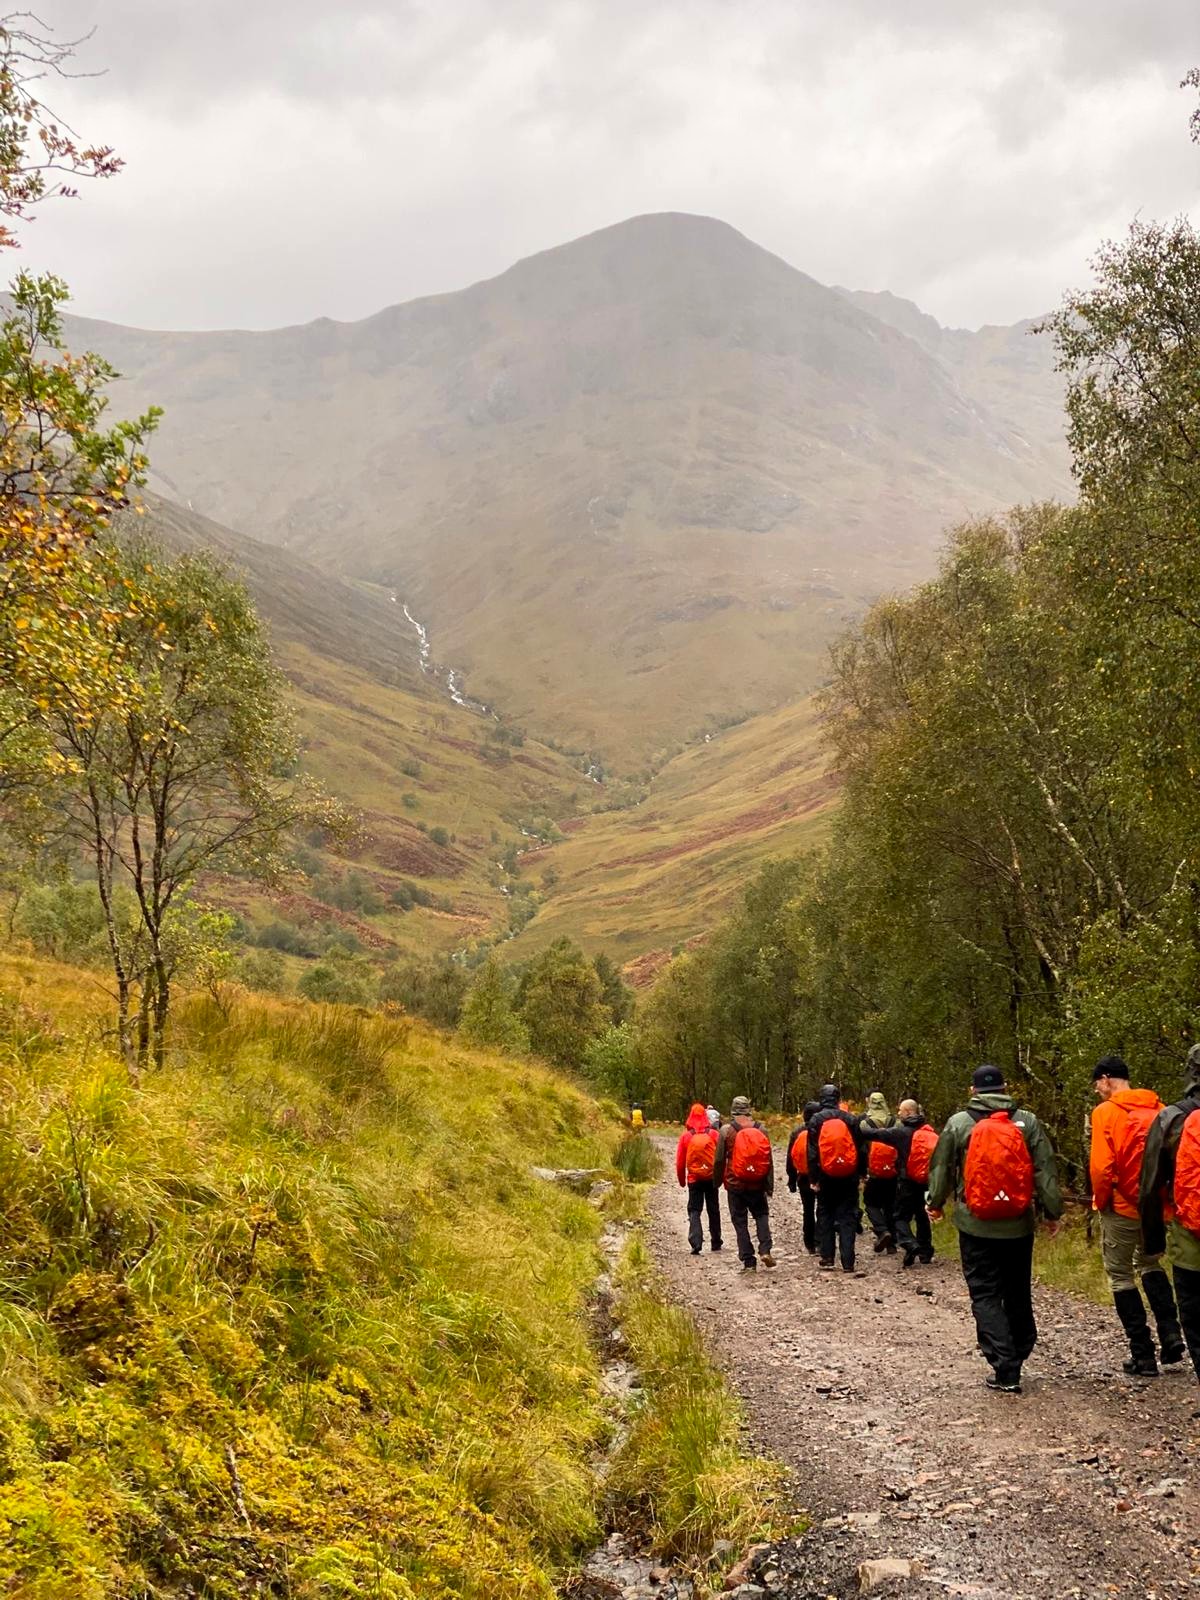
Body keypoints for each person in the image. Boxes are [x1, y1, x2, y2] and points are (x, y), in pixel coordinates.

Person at [926, 1064, 1062, 1394]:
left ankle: (1005, 1365)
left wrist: (935, 1202)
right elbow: (1045, 1168)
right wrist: (1052, 1211)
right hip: (1018, 1223)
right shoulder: (1027, 1121)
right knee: (1017, 1288)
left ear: (973, 1091)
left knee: (985, 1292)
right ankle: (1020, 1346)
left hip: (975, 1224)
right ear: (1005, 1088)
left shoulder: (960, 1123)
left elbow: (942, 1167)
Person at [1090, 1055, 1183, 1376]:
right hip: (1155, 1208)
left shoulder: (1106, 1112)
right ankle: (1171, 1333)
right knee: (1150, 1263)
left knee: (1120, 1275)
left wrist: (1101, 1202)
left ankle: (1142, 1354)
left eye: (1097, 1085)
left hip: (1121, 1206)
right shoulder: (1162, 1109)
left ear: (1105, 1079)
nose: (1097, 1091)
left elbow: (1102, 1168)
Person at [1140, 1043, 1200, 1381]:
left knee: (1194, 1316)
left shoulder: (1172, 1117)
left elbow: (1150, 1185)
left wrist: (1152, 1241)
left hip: (1190, 1236)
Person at [862, 1098, 938, 1266]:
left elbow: (875, 1134)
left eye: (901, 1111)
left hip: (907, 1182)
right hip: (927, 1182)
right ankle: (925, 1253)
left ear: (909, 1112)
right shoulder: (929, 1132)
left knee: (900, 1217)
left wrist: (856, 1126)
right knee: (922, 1216)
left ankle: (909, 1243)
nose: (898, 1114)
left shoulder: (901, 1133)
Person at [714, 1094, 775, 1274]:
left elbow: (719, 1161)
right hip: (757, 1183)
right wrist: (769, 1185)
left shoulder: (726, 1131)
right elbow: (768, 1159)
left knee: (740, 1221)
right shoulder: (761, 1129)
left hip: (735, 1184)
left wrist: (717, 1182)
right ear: (749, 1109)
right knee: (761, 1215)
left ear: (733, 1111)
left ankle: (748, 1261)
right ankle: (765, 1249)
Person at [807, 1083, 863, 1272]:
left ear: (821, 1099)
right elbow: (860, 1148)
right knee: (848, 1216)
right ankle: (848, 1262)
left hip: (825, 1175)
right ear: (838, 1099)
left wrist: (814, 1179)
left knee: (825, 1214)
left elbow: (813, 1153)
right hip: (849, 1175)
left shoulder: (816, 1120)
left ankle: (828, 1256)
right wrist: (862, 1173)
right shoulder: (850, 1119)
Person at [675, 1102, 723, 1255]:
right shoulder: (714, 1135)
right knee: (713, 1208)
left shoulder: (686, 1137)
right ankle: (716, 1241)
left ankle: (696, 1242)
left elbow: (680, 1162)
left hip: (694, 1179)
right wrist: (721, 1177)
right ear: (705, 1116)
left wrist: (682, 1180)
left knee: (694, 1209)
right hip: (711, 1177)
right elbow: (721, 1159)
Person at [858, 1090, 899, 1253]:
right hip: (892, 1170)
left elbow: (861, 1148)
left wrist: (862, 1171)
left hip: (873, 1171)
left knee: (871, 1203)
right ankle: (892, 1244)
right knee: (890, 1205)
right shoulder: (895, 1121)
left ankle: (882, 1230)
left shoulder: (865, 1122)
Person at [785, 1100, 821, 1254]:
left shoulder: (797, 1132)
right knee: (822, 1209)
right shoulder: (822, 1130)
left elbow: (790, 1158)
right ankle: (821, 1240)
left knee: (808, 1210)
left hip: (803, 1177)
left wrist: (791, 1180)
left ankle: (809, 1243)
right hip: (821, 1176)